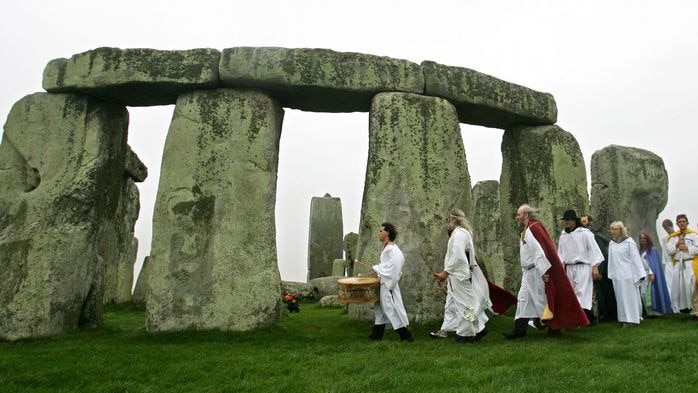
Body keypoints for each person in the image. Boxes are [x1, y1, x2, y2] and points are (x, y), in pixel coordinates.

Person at [503, 204, 589, 339]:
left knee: (542, 300)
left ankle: (554, 328)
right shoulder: (529, 228)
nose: (517, 217)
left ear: (526, 215)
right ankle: (519, 330)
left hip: (536, 272)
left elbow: (539, 253)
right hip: (528, 273)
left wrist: (544, 273)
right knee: (523, 299)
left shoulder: (532, 228)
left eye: (519, 214)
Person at [431, 209, 491, 343]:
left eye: (449, 219)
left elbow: (458, 256)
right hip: (458, 274)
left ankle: (465, 335)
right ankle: (478, 329)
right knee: (457, 304)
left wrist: (445, 273)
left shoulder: (459, 234)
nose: (448, 222)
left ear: (454, 220)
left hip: (460, 275)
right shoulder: (463, 233)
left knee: (465, 304)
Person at [368, 222, 413, 341]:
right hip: (385, 282)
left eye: (381, 231)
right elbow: (391, 265)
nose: (379, 233)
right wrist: (379, 271)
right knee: (381, 309)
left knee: (390, 309)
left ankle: (405, 336)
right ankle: (376, 336)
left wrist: (377, 268)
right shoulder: (391, 248)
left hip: (388, 285)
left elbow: (394, 266)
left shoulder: (391, 249)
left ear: (387, 232)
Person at [558, 210, 605, 324]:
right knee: (571, 293)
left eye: (569, 220)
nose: (567, 222)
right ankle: (583, 319)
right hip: (569, 267)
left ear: (574, 221)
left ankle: (586, 319)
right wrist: (560, 265)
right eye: (565, 220)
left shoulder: (584, 233)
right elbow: (561, 253)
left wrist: (595, 266)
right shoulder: (564, 235)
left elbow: (593, 249)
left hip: (583, 266)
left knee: (582, 294)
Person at [607, 221, 646, 326]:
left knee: (630, 297)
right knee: (620, 298)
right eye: (612, 229)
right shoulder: (612, 244)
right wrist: (611, 273)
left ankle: (632, 319)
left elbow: (635, 259)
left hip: (628, 274)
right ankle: (623, 318)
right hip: (617, 275)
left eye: (615, 229)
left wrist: (640, 274)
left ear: (621, 230)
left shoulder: (629, 242)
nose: (613, 231)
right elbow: (611, 260)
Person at [581, 214, 617, 322]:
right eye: (581, 221)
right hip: (587, 269)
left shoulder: (595, 236)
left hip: (598, 270)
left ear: (589, 222)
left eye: (584, 221)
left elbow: (600, 254)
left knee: (602, 294)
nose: (582, 223)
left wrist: (599, 270)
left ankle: (603, 315)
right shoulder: (582, 235)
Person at [665, 214, 698, 320]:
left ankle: (695, 310)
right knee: (678, 288)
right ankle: (681, 308)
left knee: (691, 286)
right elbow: (669, 251)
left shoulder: (693, 235)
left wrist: (687, 247)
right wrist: (676, 245)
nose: (682, 223)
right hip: (678, 264)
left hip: (690, 263)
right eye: (679, 222)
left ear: (687, 222)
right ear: (677, 223)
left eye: (683, 221)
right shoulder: (674, 237)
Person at [638, 232, 672, 314]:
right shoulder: (640, 251)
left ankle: (656, 311)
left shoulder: (652, 250)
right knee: (643, 293)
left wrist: (652, 273)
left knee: (651, 293)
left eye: (644, 238)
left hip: (650, 274)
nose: (642, 240)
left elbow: (654, 264)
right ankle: (649, 312)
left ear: (647, 239)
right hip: (643, 274)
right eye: (641, 238)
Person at [660, 219, 677, 312]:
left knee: (678, 284)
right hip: (669, 263)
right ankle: (671, 306)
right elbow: (665, 253)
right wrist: (665, 263)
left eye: (668, 228)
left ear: (672, 226)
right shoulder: (665, 239)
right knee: (669, 284)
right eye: (665, 229)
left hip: (677, 262)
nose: (668, 230)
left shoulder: (678, 236)